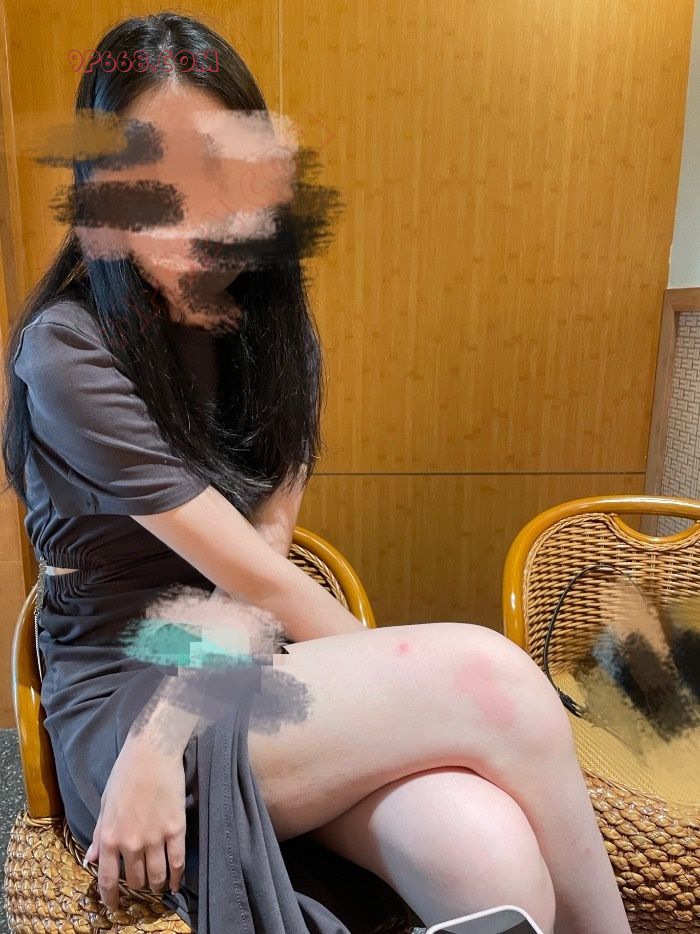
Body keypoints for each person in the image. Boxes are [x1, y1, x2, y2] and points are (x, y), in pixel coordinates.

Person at [1, 12, 633, 934]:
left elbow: (261, 564)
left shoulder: (271, 337)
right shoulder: (66, 350)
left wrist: (182, 717)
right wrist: (157, 736)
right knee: (494, 681)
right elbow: (265, 584)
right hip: (120, 687)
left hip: (226, 662)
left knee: (485, 853)